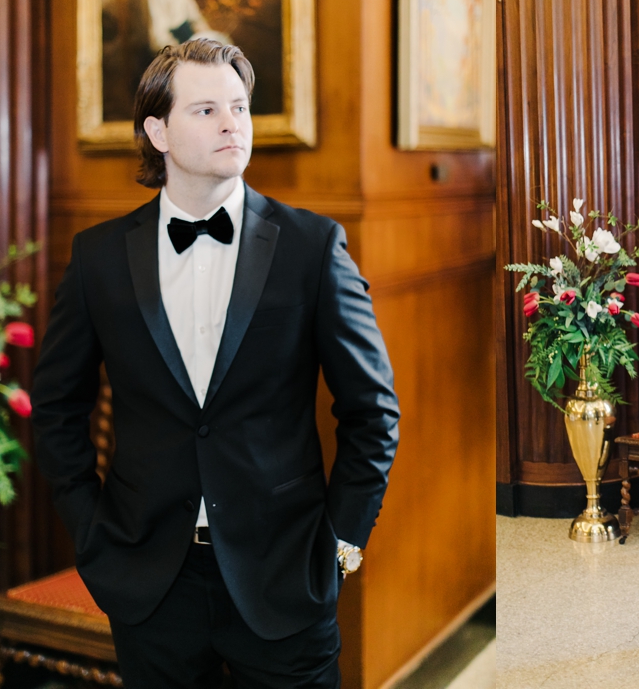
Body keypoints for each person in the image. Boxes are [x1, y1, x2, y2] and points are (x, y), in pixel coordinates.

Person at [31, 38, 400, 688]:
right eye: (205, 110)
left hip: (286, 576)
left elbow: (372, 412)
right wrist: (93, 535)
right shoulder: (98, 259)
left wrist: (341, 545)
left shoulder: (313, 247)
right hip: (149, 583)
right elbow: (59, 407)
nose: (232, 123)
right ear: (158, 131)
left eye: (239, 107)